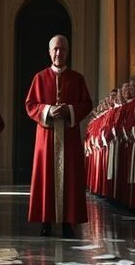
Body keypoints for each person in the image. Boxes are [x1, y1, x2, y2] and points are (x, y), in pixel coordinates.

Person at [25, 35, 93, 238]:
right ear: (49, 52)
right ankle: (45, 221)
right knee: (45, 176)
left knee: (70, 177)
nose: (58, 53)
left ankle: (67, 222)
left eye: (62, 49)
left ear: (67, 52)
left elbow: (86, 104)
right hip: (46, 137)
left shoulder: (77, 78)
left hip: (69, 137)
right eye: (55, 49)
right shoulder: (39, 78)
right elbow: (30, 105)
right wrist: (47, 110)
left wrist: (69, 110)